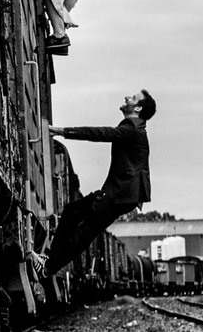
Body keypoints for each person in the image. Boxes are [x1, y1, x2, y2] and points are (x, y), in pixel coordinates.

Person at [47, 90, 154, 270]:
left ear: (138, 107)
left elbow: (100, 133)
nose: (127, 97)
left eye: (133, 98)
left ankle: (49, 267)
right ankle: (50, 261)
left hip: (121, 194)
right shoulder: (134, 128)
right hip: (121, 193)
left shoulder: (132, 129)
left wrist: (61, 131)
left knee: (85, 230)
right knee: (73, 212)